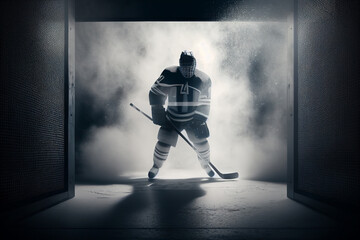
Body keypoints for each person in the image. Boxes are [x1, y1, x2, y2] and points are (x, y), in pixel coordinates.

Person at [148, 50, 214, 179]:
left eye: (190, 67)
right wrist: (158, 110)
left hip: (193, 119)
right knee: (163, 142)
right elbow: (155, 92)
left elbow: (205, 102)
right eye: (184, 66)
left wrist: (200, 119)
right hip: (172, 118)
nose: (187, 70)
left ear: (195, 65)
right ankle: (156, 166)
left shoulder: (203, 79)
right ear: (180, 64)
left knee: (201, 142)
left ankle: (206, 165)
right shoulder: (169, 74)